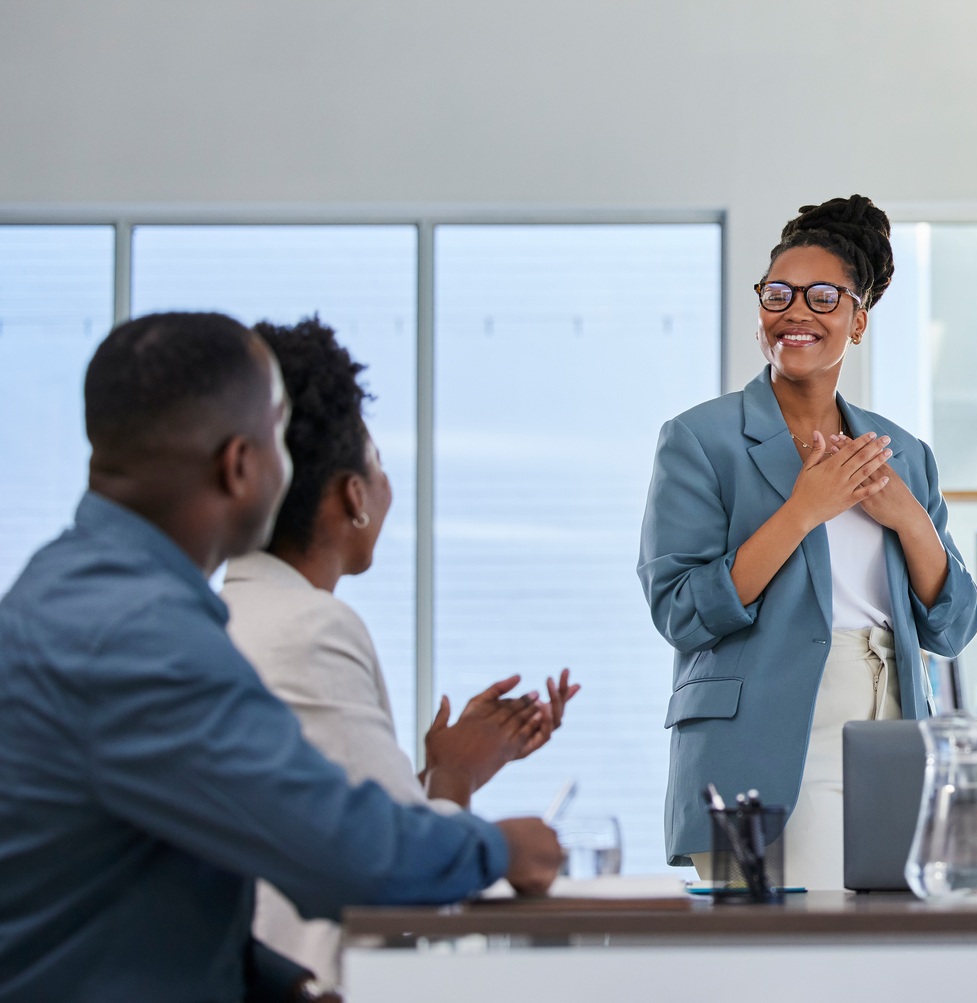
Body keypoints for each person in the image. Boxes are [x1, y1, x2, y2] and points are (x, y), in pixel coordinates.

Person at [0, 312, 563, 1003]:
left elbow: (138, 884)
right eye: (277, 434)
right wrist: (502, 846)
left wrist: (284, 983)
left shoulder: (67, 589)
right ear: (240, 465)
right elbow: (351, 853)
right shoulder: (140, 637)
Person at [222, 316, 582, 983]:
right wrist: (459, 785)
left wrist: (448, 768)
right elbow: (398, 879)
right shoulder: (313, 627)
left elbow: (323, 820)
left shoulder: (232, 611)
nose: (387, 485)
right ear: (352, 497)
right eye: (379, 464)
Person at [640, 195, 977, 888]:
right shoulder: (700, 439)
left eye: (823, 296)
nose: (796, 311)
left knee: (889, 960)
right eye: (779, 293)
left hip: (896, 727)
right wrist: (802, 510)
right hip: (771, 734)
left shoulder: (902, 453)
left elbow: (954, 625)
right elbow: (680, 610)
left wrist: (910, 519)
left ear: (858, 320)